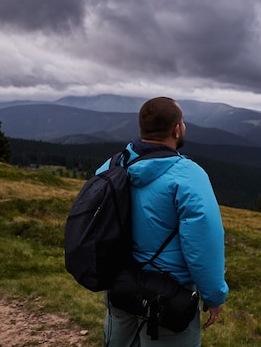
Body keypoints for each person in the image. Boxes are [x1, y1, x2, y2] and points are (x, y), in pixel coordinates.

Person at [98, 96, 229, 347]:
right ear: (177, 129)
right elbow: (203, 243)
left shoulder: (112, 165)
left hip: (121, 286)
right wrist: (214, 295)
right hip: (168, 297)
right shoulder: (189, 176)